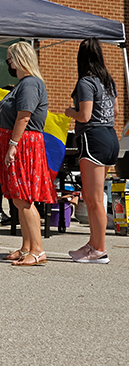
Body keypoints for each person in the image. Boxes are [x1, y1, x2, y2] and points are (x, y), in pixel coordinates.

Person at [0, 42, 55, 266]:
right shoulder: (24, 84)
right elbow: (17, 112)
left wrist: (13, 144)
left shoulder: (29, 84)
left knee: (23, 198)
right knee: (19, 199)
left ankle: (37, 250)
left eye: (9, 59)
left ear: (20, 59)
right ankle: (27, 246)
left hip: (24, 143)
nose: (8, 64)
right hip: (20, 141)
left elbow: (24, 117)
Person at [65, 38, 118, 264]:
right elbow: (114, 109)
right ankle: (93, 244)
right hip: (109, 136)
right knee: (91, 196)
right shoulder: (108, 81)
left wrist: (70, 111)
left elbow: (85, 115)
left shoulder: (86, 82)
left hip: (93, 138)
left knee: (94, 198)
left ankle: (99, 249)